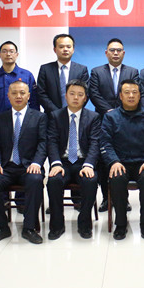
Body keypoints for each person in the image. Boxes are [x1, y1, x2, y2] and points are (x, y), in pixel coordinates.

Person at [0, 81, 47, 244]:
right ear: (8, 96)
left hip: (29, 166)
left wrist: (37, 163)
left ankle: (29, 228)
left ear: (28, 96)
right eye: (14, 93)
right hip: (6, 166)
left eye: (22, 93)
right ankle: (1, 227)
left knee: (35, 180)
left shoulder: (39, 117)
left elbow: (43, 143)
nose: (18, 96)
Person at [100, 79, 144, 240]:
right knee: (117, 178)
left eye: (135, 92)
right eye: (127, 92)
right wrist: (114, 161)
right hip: (120, 162)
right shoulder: (110, 117)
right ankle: (121, 223)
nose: (131, 96)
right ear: (120, 96)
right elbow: (105, 143)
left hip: (143, 162)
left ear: (140, 95)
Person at [89, 38, 140, 212]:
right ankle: (106, 198)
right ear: (106, 53)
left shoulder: (132, 72)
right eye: (112, 50)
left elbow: (134, 94)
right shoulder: (97, 72)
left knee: (123, 159)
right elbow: (94, 94)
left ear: (123, 53)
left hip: (127, 121)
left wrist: (120, 113)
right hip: (103, 120)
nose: (116, 53)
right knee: (105, 161)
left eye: (119, 50)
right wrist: (110, 111)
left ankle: (123, 199)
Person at [47, 80, 100, 240]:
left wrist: (89, 165)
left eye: (80, 94)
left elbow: (95, 143)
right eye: (72, 94)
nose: (76, 97)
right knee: (54, 181)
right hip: (62, 162)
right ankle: (57, 225)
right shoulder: (55, 116)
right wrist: (55, 163)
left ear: (85, 98)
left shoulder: (93, 117)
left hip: (83, 162)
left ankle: (84, 223)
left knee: (90, 181)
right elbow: (52, 142)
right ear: (66, 96)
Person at [37, 33, 89, 115]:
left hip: (75, 115)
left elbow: (86, 93)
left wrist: (73, 110)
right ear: (55, 49)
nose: (65, 49)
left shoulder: (81, 70)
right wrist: (57, 113)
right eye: (61, 47)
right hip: (51, 116)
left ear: (73, 49)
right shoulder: (45, 69)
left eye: (68, 47)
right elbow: (41, 94)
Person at [0, 41, 38, 116]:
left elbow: (34, 102)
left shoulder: (27, 75)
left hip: (22, 119)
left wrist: (34, 119)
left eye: (11, 51)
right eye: (4, 51)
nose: (8, 54)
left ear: (17, 55)